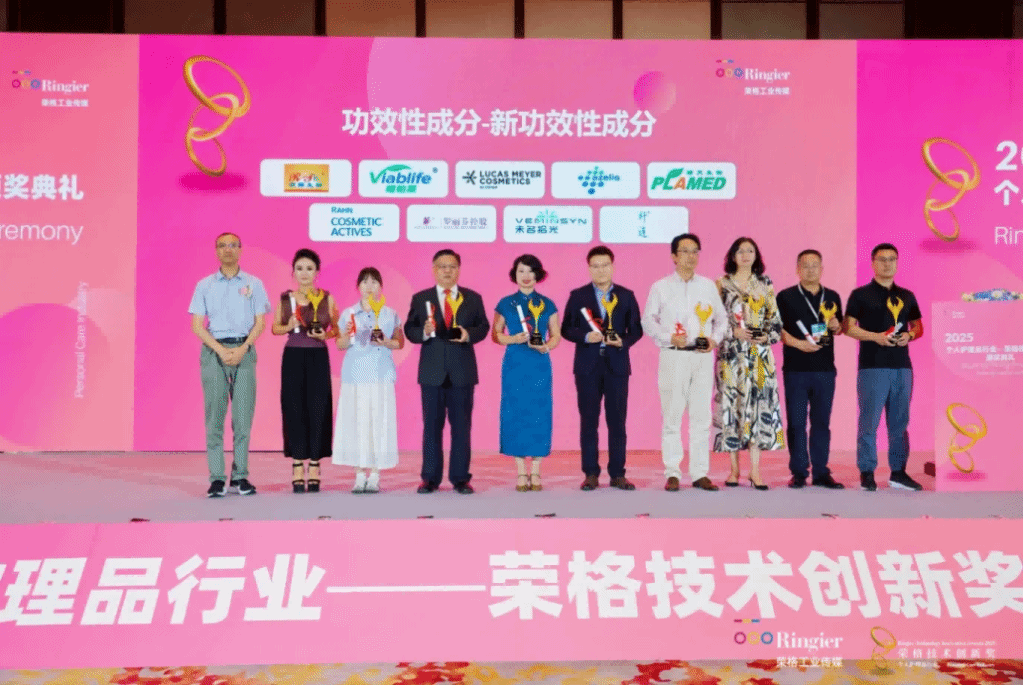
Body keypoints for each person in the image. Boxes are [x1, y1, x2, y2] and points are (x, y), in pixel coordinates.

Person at [642, 233, 729, 492]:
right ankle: (672, 472)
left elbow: (722, 319)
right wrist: (668, 338)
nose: (691, 256)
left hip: (702, 356)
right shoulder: (661, 287)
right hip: (674, 355)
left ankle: (700, 473)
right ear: (674, 256)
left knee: (701, 417)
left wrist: (714, 339)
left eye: (695, 251)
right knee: (672, 415)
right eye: (685, 251)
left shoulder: (708, 286)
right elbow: (648, 320)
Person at [188, 232, 270, 498]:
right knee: (214, 417)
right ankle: (216, 478)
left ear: (241, 250)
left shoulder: (254, 283)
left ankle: (240, 476)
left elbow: (260, 322)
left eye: (233, 245)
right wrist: (221, 350)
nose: (228, 250)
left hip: (244, 350)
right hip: (215, 352)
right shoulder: (204, 285)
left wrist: (243, 348)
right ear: (216, 251)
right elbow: (197, 325)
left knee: (242, 418)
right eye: (222, 246)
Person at [404, 249, 490, 494]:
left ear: (458, 270)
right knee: (431, 427)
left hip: (462, 372)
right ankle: (430, 478)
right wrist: (424, 331)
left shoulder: (472, 298)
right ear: (434, 270)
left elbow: (483, 327)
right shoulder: (421, 298)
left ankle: (460, 478)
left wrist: (467, 334)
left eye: (452, 266)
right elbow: (410, 330)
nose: (447, 271)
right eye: (442, 266)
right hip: (432, 373)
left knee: (462, 427)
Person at [561, 246, 643, 491]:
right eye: (595, 266)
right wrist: (586, 336)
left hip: (617, 366)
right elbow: (566, 329)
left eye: (605, 265)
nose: (600, 270)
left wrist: (622, 341)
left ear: (613, 267)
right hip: (587, 367)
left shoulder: (626, 296)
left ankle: (618, 474)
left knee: (617, 422)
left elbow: (636, 330)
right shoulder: (578, 296)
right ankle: (590, 473)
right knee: (589, 421)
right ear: (589, 268)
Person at [843, 243, 924, 492]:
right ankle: (867, 472)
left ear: (897, 263)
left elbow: (918, 326)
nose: (887, 264)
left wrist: (909, 336)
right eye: (882, 259)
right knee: (869, 422)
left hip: (902, 367)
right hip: (872, 367)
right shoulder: (860, 295)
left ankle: (898, 473)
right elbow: (848, 327)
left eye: (892, 259)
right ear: (873, 263)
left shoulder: (907, 296)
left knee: (900, 422)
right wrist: (875, 337)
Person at [713, 237, 785, 491]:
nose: (745, 255)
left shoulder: (765, 284)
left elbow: (775, 321)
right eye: (740, 250)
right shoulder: (721, 284)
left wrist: (766, 336)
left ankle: (755, 470)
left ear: (756, 255)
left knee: (758, 408)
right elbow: (713, 320)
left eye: (750, 250)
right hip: (731, 356)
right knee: (731, 409)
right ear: (732, 255)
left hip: (759, 357)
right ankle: (734, 470)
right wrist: (733, 332)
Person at [776, 250, 845, 489]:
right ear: (798, 269)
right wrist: (799, 344)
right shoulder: (785, 296)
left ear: (822, 269)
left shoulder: (832, 296)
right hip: (795, 369)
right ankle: (798, 472)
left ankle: (821, 472)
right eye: (805, 265)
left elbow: (839, 328)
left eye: (815, 265)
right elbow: (777, 329)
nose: (810, 270)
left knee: (821, 423)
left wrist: (836, 326)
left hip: (825, 370)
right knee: (796, 423)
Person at [270, 248, 338, 493]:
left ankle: (315, 464)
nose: (304, 273)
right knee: (294, 408)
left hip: (318, 357)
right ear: (293, 272)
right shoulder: (285, 299)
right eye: (299, 268)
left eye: (309, 268)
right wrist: (288, 325)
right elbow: (275, 328)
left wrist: (325, 335)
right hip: (293, 357)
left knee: (319, 408)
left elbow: (337, 329)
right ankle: (298, 464)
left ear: (317, 272)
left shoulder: (327, 298)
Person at [332, 267, 404, 493]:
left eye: (374, 282)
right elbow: (340, 344)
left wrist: (385, 341)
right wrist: (349, 335)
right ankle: (358, 475)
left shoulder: (390, 314)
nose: (369, 286)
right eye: (365, 282)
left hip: (380, 376)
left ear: (381, 286)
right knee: (356, 424)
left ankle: (374, 474)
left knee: (377, 424)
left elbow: (399, 342)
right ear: (358, 286)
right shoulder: (349, 314)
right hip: (355, 376)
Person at [492, 255, 561, 491]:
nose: (526, 276)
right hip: (515, 364)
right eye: (521, 271)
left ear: (538, 274)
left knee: (540, 413)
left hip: (539, 364)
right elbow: (496, 334)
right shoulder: (505, 303)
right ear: (515, 274)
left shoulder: (548, 304)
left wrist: (546, 347)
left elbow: (556, 335)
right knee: (515, 414)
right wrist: (513, 339)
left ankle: (537, 470)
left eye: (531, 271)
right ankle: (521, 471)